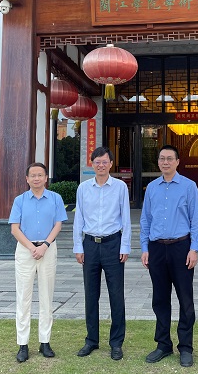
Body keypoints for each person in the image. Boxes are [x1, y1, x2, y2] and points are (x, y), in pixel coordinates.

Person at [140, 144, 198, 368]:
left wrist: (194, 249)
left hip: (181, 248)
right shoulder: (152, 188)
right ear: (158, 162)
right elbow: (146, 219)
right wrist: (145, 247)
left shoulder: (189, 186)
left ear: (177, 162)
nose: (165, 162)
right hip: (156, 248)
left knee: (185, 299)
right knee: (160, 299)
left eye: (169, 158)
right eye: (162, 159)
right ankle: (163, 344)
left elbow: (196, 219)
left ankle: (185, 347)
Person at [73, 146, 131, 361]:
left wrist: (125, 246)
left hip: (112, 244)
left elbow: (126, 218)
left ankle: (116, 343)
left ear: (111, 164)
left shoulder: (120, 187)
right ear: (92, 163)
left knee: (116, 295)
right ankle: (91, 340)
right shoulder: (83, 188)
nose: (101, 165)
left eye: (104, 161)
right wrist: (78, 246)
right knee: (91, 295)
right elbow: (79, 218)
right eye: (97, 162)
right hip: (90, 245)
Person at [8, 162, 68, 363]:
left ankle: (45, 341)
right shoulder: (19, 200)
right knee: (23, 297)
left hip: (47, 250)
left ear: (46, 178)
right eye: (32, 175)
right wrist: (32, 248)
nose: (36, 178)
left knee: (46, 297)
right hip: (25, 250)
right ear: (27, 179)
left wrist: (44, 246)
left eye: (40, 175)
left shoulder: (55, 198)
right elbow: (14, 229)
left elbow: (58, 224)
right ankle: (22, 344)